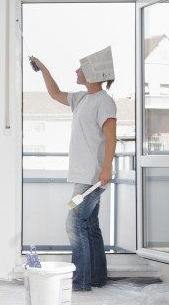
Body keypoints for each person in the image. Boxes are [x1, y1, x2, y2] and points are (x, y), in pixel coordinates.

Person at [29, 47, 116, 291]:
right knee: (89, 225)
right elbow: (55, 93)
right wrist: (42, 67)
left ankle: (81, 282)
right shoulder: (81, 98)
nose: (76, 71)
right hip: (85, 175)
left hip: (92, 177)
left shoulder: (104, 102)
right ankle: (96, 278)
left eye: (80, 68)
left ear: (92, 73)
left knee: (73, 223)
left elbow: (111, 138)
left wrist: (107, 169)